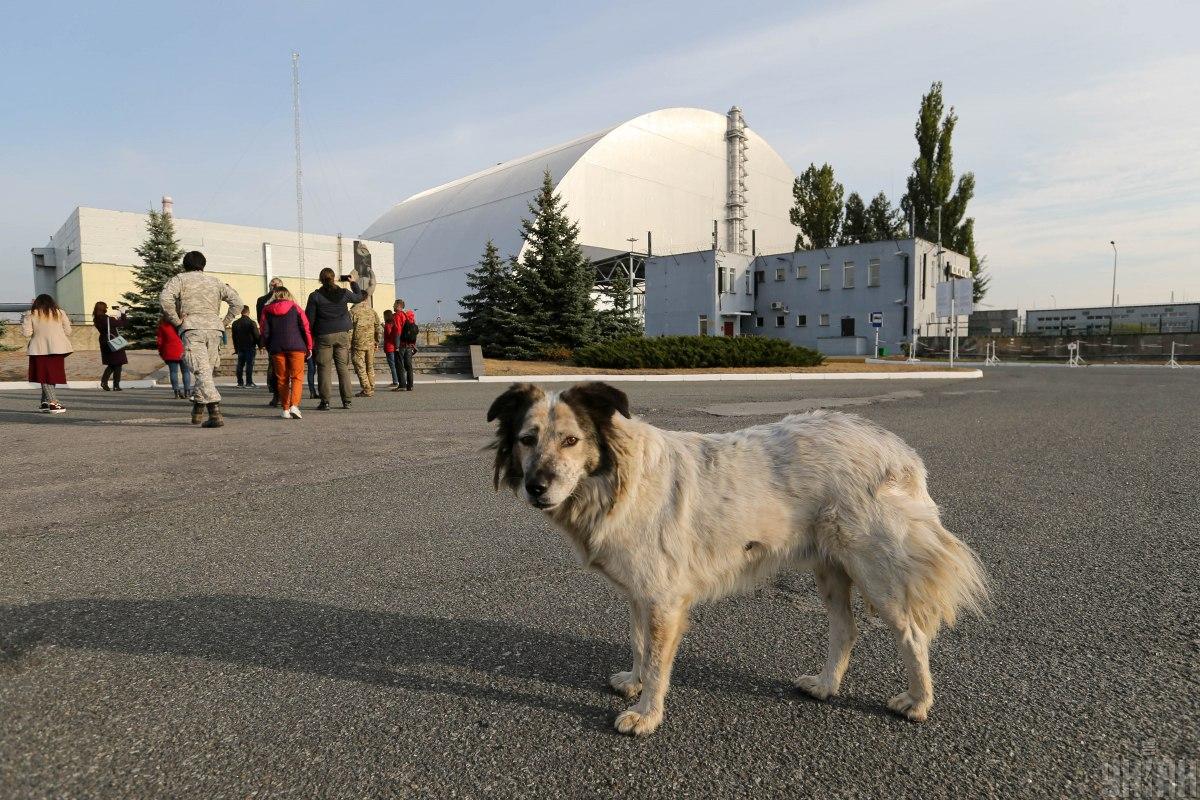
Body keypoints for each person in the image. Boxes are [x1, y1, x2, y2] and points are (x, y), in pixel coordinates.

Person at [159, 250, 243, 428]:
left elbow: (165, 299)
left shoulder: (179, 280)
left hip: (193, 328)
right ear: (203, 265)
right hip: (214, 330)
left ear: (185, 265)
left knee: (202, 371)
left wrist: (176, 320)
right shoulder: (215, 281)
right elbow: (237, 303)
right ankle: (198, 409)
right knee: (205, 371)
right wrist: (224, 322)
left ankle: (215, 412)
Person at [305, 268, 365, 410]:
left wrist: (310, 337)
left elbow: (309, 319)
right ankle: (347, 401)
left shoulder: (315, 296)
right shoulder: (344, 293)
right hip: (342, 333)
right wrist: (353, 283)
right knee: (343, 368)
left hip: (324, 335)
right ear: (334, 278)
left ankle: (325, 402)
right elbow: (359, 297)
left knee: (324, 369)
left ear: (320, 279)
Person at [259, 286, 312, 420]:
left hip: (277, 348)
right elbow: (305, 328)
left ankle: (285, 409)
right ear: (288, 295)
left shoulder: (266, 310)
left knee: (282, 378)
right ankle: (294, 405)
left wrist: (266, 345)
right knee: (297, 377)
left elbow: (264, 331)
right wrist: (309, 346)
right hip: (297, 346)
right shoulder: (296, 307)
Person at [23, 294, 73, 413]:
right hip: (58, 348)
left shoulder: (31, 314)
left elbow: (26, 333)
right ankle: (52, 403)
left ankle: (47, 402)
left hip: (39, 349)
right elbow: (68, 331)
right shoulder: (60, 313)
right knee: (51, 375)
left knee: (44, 375)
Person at [256, 277, 284, 406]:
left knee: (274, 365)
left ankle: (277, 394)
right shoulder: (287, 299)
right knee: (279, 366)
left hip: (271, 336)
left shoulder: (262, 300)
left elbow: (260, 321)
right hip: (283, 335)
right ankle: (280, 394)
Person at [349, 298, 382, 397]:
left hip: (358, 343)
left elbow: (349, 329)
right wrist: (377, 341)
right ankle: (371, 385)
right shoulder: (372, 311)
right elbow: (378, 327)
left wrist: (348, 344)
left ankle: (367, 389)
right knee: (370, 365)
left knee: (360, 366)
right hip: (371, 343)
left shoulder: (352, 312)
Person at [93, 301, 128, 391]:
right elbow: (123, 323)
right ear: (103, 309)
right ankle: (116, 385)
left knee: (112, 364)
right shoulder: (107, 319)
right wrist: (123, 313)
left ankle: (104, 382)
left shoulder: (96, 319)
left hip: (104, 341)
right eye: (106, 307)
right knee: (118, 363)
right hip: (113, 341)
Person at [156, 314, 192, 399]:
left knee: (173, 372)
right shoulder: (184, 324)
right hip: (184, 350)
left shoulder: (163, 326)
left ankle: (177, 392)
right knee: (186, 372)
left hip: (170, 352)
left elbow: (159, 342)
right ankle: (187, 392)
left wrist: (161, 352)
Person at [391, 298, 417, 392]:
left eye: (394, 304)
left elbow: (398, 330)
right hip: (409, 344)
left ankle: (402, 385)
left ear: (398, 306)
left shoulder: (398, 315)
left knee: (399, 365)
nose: (393, 306)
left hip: (401, 344)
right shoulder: (407, 315)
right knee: (408, 365)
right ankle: (410, 385)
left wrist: (397, 346)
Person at [230, 306, 260, 388]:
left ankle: (240, 382)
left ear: (241, 312)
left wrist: (236, 348)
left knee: (240, 365)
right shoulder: (251, 322)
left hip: (240, 347)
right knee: (249, 365)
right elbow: (256, 335)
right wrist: (260, 346)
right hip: (250, 346)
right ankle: (249, 383)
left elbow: (234, 337)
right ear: (248, 312)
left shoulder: (235, 323)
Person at [382, 309, 400, 387]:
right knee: (395, 365)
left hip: (389, 347)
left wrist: (384, 327)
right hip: (393, 347)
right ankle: (397, 380)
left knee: (392, 365)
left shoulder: (387, 325)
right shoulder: (393, 323)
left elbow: (389, 334)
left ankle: (395, 381)